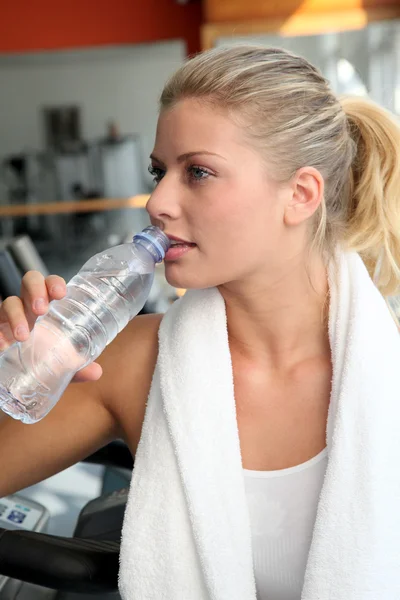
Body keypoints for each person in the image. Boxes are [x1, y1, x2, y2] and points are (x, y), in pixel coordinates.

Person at [1, 45, 400, 599]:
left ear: (301, 194)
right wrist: (12, 363)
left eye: (199, 172)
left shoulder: (389, 380)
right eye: (159, 171)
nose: (158, 200)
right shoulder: (133, 362)